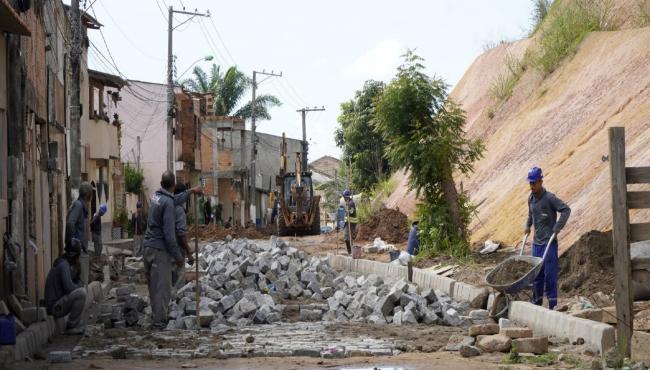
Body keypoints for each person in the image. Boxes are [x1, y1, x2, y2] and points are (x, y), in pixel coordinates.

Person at [525, 166, 571, 310]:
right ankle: (537, 302)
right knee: (536, 275)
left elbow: (566, 210)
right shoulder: (531, 198)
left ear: (540, 181)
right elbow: (530, 215)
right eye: (530, 183)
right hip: (536, 244)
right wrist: (527, 226)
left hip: (549, 243)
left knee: (549, 275)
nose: (531, 186)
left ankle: (552, 305)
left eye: (534, 183)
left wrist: (557, 229)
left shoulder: (549, 198)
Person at [44, 242, 87, 334]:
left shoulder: (63, 263)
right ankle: (71, 326)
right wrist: (80, 284)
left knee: (81, 292)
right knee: (81, 293)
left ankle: (76, 323)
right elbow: (69, 288)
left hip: (56, 304)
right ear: (75, 257)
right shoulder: (64, 265)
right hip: (54, 307)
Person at [171, 183, 194, 294]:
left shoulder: (168, 206)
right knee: (179, 281)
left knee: (170, 280)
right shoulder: (179, 210)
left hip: (167, 250)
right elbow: (181, 234)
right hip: (177, 251)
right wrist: (189, 252)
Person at [65, 182, 93, 254]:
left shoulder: (82, 206)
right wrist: (72, 245)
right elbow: (70, 223)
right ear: (88, 194)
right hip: (77, 251)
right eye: (91, 192)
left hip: (80, 250)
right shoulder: (78, 205)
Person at [342, 190, 358, 255]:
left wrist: (347, 208)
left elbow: (351, 212)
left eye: (344, 197)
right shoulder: (349, 202)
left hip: (351, 223)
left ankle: (350, 252)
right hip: (349, 222)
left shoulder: (351, 203)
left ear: (346, 197)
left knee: (346, 237)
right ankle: (351, 251)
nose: (343, 198)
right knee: (349, 238)